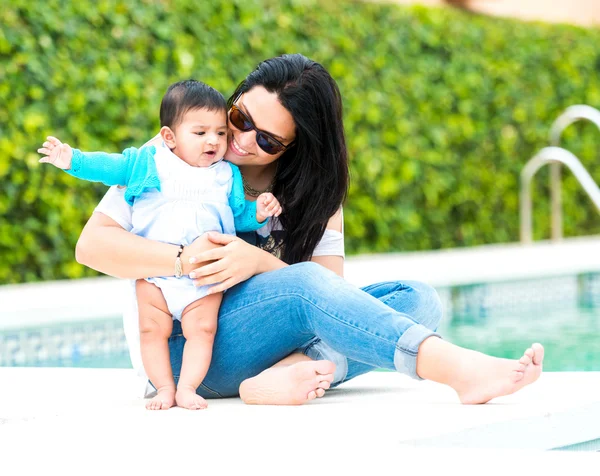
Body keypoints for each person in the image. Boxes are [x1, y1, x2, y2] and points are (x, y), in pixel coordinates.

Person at [75, 53, 544, 406]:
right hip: (182, 355)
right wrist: (183, 259)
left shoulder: (317, 195)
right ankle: (453, 368)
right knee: (303, 285)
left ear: (296, 148)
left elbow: (331, 295)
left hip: (268, 341)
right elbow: (91, 246)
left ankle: (286, 374)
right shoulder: (176, 154)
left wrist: (259, 264)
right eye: (240, 118)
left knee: (417, 299)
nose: (237, 140)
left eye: (266, 139)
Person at [37, 80, 282, 410]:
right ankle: (165, 388)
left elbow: (239, 217)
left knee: (203, 329)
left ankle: (188, 388)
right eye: (200, 133)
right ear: (170, 137)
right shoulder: (150, 161)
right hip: (156, 273)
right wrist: (72, 160)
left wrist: (259, 215)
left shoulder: (226, 176)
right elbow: (111, 167)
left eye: (220, 133)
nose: (214, 140)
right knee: (152, 330)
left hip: (202, 279)